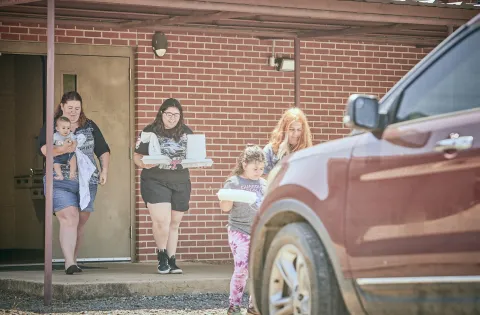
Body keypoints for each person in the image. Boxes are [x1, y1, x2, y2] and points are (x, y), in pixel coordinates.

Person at [38, 91, 110, 275]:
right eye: (70, 108)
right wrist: (63, 148)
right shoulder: (53, 126)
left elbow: (103, 149)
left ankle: (74, 260)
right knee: (70, 217)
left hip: (87, 182)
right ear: (61, 107)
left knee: (80, 222)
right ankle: (69, 263)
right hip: (60, 180)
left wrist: (104, 170)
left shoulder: (90, 126)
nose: (73, 111)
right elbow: (45, 149)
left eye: (77, 108)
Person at [133, 98, 193, 275]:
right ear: (161, 113)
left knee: (174, 223)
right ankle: (161, 256)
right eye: (169, 114)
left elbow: (194, 155)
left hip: (181, 181)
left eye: (176, 115)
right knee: (162, 221)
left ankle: (172, 259)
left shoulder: (187, 133)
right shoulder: (149, 131)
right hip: (155, 180)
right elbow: (137, 156)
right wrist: (144, 164)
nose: (172, 118)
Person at [218, 145, 266, 315]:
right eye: (255, 168)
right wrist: (228, 196)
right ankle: (234, 305)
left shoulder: (263, 184)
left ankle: (253, 306)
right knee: (242, 269)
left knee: (259, 269)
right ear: (244, 164)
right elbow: (225, 208)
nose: (258, 171)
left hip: (259, 232)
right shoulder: (234, 182)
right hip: (239, 231)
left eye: (261, 168)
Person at [263, 107, 313, 175]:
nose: (295, 134)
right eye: (291, 129)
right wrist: (280, 157)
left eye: (299, 130)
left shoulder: (307, 152)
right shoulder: (269, 150)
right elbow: (262, 179)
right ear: (283, 129)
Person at [53, 116, 77, 181]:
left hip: (69, 154)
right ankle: (60, 175)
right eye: (63, 128)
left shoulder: (70, 135)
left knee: (73, 159)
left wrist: (73, 146)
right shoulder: (55, 136)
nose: (66, 130)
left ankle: (72, 173)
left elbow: (75, 141)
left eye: (68, 128)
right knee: (55, 164)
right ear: (57, 128)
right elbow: (51, 145)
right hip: (59, 155)